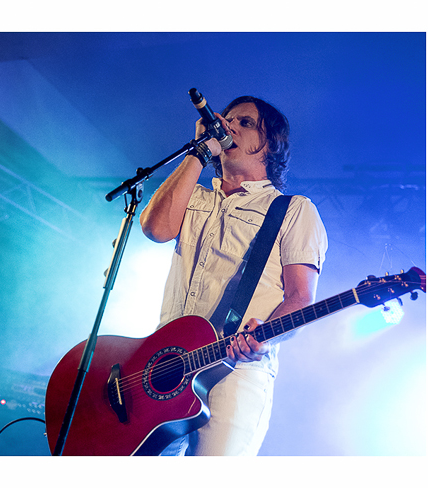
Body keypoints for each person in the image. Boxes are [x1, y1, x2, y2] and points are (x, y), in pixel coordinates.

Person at [140, 96, 328, 456]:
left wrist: (264, 336)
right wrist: (197, 150)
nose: (227, 126)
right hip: (166, 368)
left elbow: (300, 297)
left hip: (236, 372)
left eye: (243, 122)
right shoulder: (192, 194)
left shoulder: (293, 210)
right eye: (225, 120)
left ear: (270, 143)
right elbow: (155, 228)